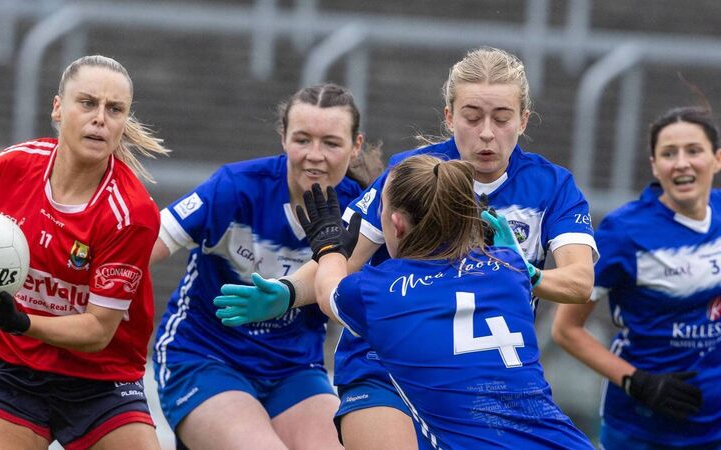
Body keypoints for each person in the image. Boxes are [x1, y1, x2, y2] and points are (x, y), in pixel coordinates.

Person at [214, 46, 598, 449]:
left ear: (523, 120)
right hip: (381, 363)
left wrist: (521, 269)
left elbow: (579, 282)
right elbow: (343, 259)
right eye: (471, 117)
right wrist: (290, 291)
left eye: (501, 118)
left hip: (479, 375)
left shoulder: (551, 186)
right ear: (449, 117)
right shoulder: (411, 174)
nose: (486, 132)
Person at [0, 54, 169, 450]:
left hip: (102, 382)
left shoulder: (131, 213)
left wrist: (20, 321)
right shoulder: (12, 166)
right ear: (58, 107)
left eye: (114, 109)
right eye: (87, 103)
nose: (100, 118)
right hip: (12, 371)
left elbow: (97, 331)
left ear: (124, 120)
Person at [290, 156, 593, 449]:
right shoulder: (510, 269)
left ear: (396, 225)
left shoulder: (378, 292)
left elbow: (326, 291)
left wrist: (329, 246)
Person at [150, 83, 375, 450]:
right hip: (204, 356)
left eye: (331, 143)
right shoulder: (235, 188)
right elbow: (144, 245)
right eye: (302, 139)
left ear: (356, 145)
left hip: (293, 369)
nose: (315, 155)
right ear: (283, 137)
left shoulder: (362, 212)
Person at [552, 105, 721, 449]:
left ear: (717, 159)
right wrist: (637, 382)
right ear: (655, 166)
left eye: (694, 150)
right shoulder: (624, 232)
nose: (682, 162)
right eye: (669, 153)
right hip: (641, 427)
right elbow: (565, 329)